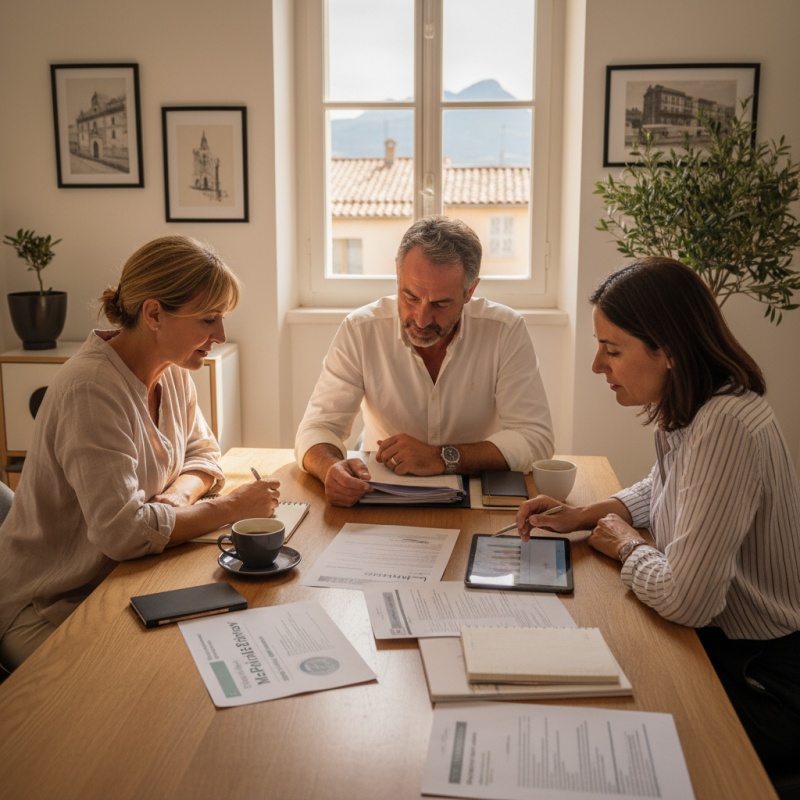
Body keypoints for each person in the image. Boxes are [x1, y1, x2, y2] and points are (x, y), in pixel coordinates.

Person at [516, 256, 800, 789]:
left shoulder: (725, 428)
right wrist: (587, 514)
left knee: (589, 738)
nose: (598, 366)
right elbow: (666, 489)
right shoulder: (702, 407)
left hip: (759, 678)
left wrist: (625, 545)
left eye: (612, 349)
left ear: (667, 350)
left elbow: (689, 601)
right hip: (729, 650)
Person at [0, 235, 280, 671]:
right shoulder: (91, 389)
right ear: (154, 314)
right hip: (47, 603)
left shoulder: (172, 368)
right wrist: (230, 508)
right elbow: (123, 533)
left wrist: (179, 498)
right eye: (208, 320)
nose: (220, 336)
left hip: (116, 580)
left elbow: (204, 453)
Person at [295, 216, 554, 506]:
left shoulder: (505, 331)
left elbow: (536, 439)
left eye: (441, 304)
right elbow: (318, 426)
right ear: (397, 273)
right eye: (410, 296)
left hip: (480, 493)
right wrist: (329, 467)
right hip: (379, 495)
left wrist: (442, 457)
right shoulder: (360, 330)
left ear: (470, 292)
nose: (421, 318)